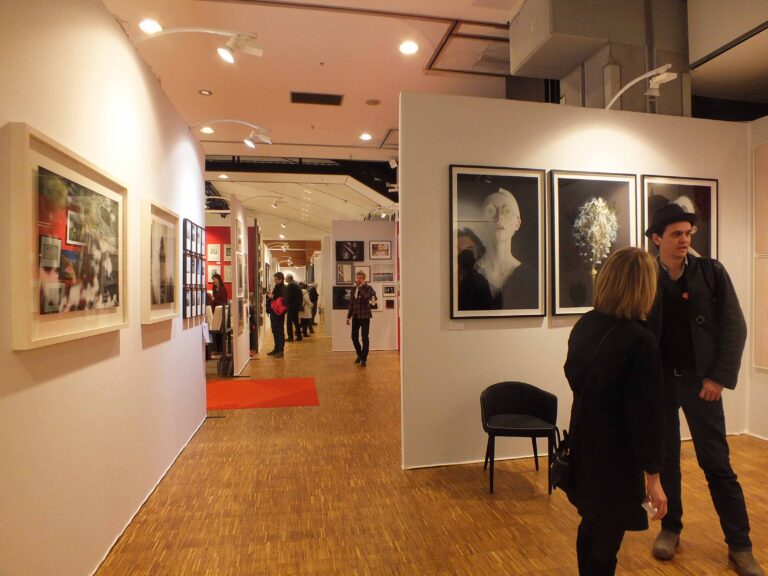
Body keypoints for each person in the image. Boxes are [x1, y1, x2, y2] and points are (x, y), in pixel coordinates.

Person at [645, 204, 762, 576]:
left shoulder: (711, 273)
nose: (684, 240)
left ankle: (740, 545)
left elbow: (734, 328)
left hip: (701, 385)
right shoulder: (645, 276)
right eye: (676, 234)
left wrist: (717, 378)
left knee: (717, 465)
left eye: (688, 233)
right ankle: (670, 527)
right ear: (657, 238)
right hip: (660, 384)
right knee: (666, 462)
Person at [564, 247, 667, 576]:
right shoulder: (640, 341)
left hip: (585, 444)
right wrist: (654, 477)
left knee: (591, 524)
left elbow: (573, 375)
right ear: (643, 287)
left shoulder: (585, 326)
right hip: (616, 458)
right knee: (607, 540)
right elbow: (645, 415)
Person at [475, 188, 537, 309]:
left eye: (507, 211)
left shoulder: (531, 279)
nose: (499, 217)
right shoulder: (471, 275)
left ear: (517, 223)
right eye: (490, 211)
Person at [346, 269, 376, 367]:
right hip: (355, 316)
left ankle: (363, 359)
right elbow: (351, 303)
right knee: (354, 337)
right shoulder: (354, 289)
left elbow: (367, 297)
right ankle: (360, 355)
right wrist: (348, 316)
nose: (358, 280)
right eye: (357, 278)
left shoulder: (369, 288)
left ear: (364, 279)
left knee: (364, 338)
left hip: (365, 316)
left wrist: (362, 288)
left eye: (360, 278)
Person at [266, 272, 287, 358]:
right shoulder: (277, 287)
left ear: (281, 279)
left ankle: (280, 351)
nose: (275, 281)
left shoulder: (283, 288)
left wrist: (272, 297)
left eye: (276, 279)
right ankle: (276, 349)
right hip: (274, 312)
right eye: (274, 279)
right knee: (274, 331)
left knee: (280, 332)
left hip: (279, 313)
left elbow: (282, 300)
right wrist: (271, 297)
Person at [284, 273, 303, 342]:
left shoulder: (291, 285)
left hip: (292, 307)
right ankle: (299, 336)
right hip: (296, 306)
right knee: (296, 322)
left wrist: (286, 304)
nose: (285, 279)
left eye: (285, 278)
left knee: (289, 322)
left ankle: (290, 337)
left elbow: (289, 297)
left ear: (289, 279)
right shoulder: (296, 285)